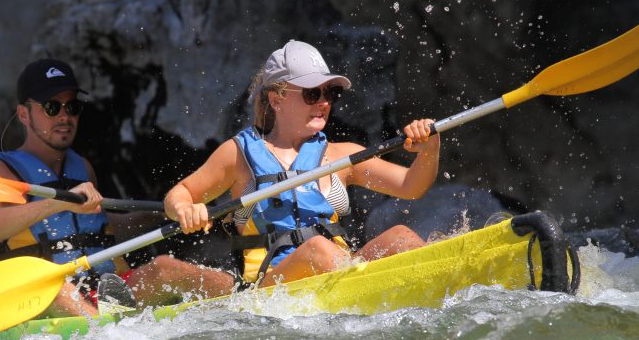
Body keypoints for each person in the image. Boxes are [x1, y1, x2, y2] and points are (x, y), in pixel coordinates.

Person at [163, 40, 440, 288]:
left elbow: (411, 186)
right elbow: (179, 195)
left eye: (328, 93)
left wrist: (429, 149)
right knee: (317, 249)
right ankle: (365, 287)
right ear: (277, 99)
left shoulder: (340, 156)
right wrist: (186, 209)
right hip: (271, 286)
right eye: (311, 94)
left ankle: (438, 283)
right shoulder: (237, 155)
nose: (323, 103)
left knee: (401, 237)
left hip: (339, 272)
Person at [0, 58, 234, 315]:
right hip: (43, 295)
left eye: (72, 107)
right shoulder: (0, 169)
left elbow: (99, 229)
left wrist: (158, 217)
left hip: (104, 288)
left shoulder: (82, 167)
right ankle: (104, 333)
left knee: (165, 267)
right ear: (24, 114)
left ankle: (246, 295)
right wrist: (56, 203)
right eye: (52, 107)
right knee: (57, 288)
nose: (64, 116)